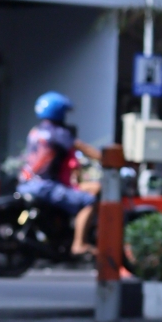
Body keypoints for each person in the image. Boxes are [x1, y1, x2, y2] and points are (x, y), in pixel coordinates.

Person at [18, 92, 101, 256]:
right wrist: (107, 158)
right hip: (45, 186)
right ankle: (79, 244)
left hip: (26, 183)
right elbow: (83, 148)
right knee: (89, 201)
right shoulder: (58, 132)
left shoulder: (35, 131)